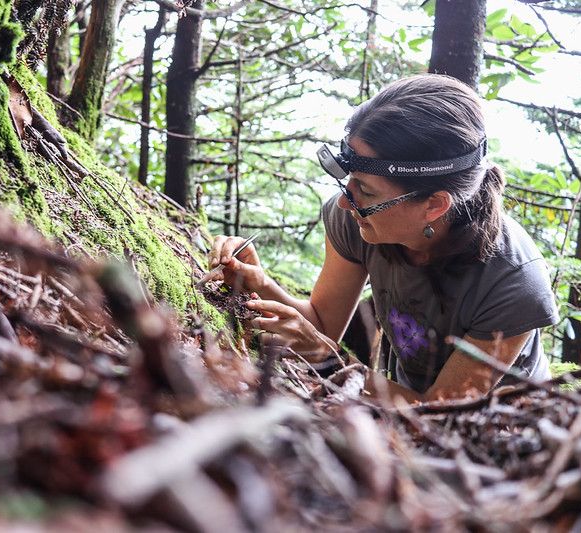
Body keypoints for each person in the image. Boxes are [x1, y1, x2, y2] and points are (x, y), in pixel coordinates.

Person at [208, 74, 559, 403]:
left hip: (504, 436)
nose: (346, 201)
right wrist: (259, 283)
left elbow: (439, 412)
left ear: (434, 205)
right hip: (400, 402)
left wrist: (331, 363)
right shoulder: (358, 220)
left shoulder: (514, 283)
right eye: (349, 181)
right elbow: (322, 323)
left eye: (366, 190)